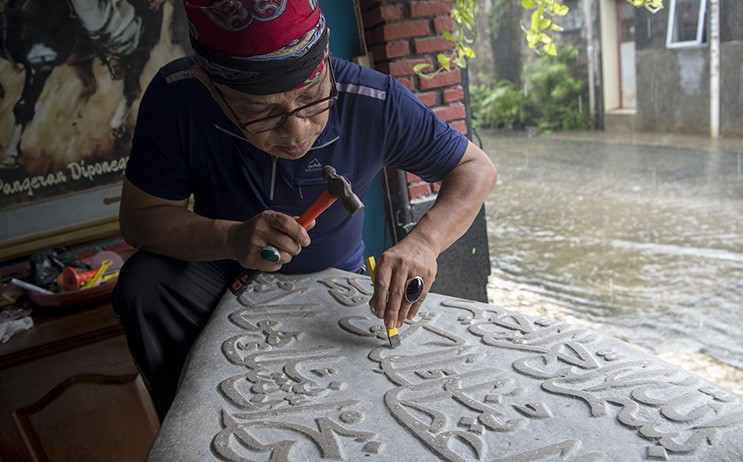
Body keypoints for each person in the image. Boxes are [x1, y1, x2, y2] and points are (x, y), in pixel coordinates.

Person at [112, 0, 496, 420]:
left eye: (313, 100)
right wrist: (229, 237)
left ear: (327, 60)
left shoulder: (370, 99)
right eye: (263, 114)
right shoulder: (178, 97)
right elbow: (140, 216)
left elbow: (474, 168)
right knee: (144, 284)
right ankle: (191, 422)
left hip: (333, 278)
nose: (297, 131)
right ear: (210, 85)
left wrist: (425, 242)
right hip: (220, 266)